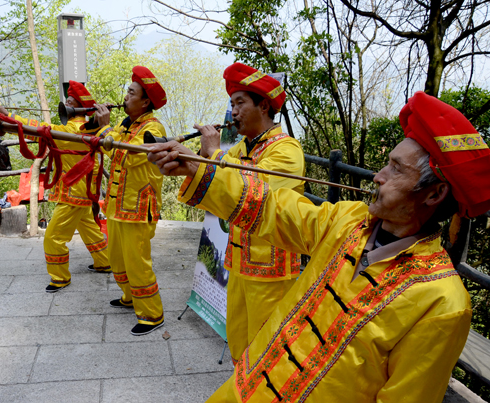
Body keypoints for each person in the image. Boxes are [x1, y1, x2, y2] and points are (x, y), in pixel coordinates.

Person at [148, 91, 490, 402]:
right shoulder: (349, 218)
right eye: (387, 163)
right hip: (245, 388)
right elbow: (272, 208)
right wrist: (197, 169)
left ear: (434, 194)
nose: (378, 176)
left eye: (396, 169)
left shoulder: (443, 302)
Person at [203, 63, 305, 363]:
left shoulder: (286, 150)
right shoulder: (244, 148)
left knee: (266, 349)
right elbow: (214, 172)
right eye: (231, 104)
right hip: (238, 263)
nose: (233, 112)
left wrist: (213, 153)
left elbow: (252, 190)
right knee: (238, 340)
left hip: (272, 271)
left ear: (263, 106)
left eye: (240, 103)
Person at [0, 81, 111, 293]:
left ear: (79, 107)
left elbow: (39, 130)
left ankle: (60, 277)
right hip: (82, 192)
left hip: (73, 194)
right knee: (89, 229)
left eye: (70, 102)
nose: (65, 104)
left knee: (53, 237)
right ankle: (105, 261)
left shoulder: (71, 132)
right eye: (67, 101)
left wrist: (10, 118)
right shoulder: (84, 128)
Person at [93, 66, 167, 336]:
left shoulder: (153, 128)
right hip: (117, 205)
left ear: (145, 101)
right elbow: (113, 148)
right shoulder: (128, 125)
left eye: (131, 92)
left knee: (137, 262)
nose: (125, 97)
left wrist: (105, 129)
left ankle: (152, 313)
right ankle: (130, 297)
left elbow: (125, 156)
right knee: (117, 258)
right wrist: (111, 130)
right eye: (127, 91)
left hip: (137, 207)